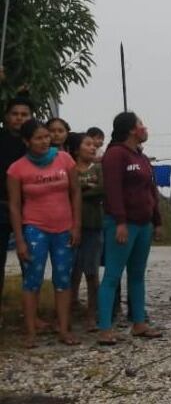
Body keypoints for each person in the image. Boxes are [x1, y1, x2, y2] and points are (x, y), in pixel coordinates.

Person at [8, 119, 81, 348]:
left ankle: (63, 329)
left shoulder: (65, 159)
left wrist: (76, 225)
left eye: (46, 137)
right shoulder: (16, 168)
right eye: (38, 138)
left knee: (62, 279)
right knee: (32, 281)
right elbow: (14, 205)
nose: (44, 141)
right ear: (26, 141)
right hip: (34, 228)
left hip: (64, 229)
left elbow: (76, 193)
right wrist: (19, 239)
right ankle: (30, 332)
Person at [97, 112, 162, 344]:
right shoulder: (115, 154)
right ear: (132, 130)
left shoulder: (141, 157)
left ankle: (139, 323)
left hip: (143, 223)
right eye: (141, 124)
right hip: (123, 224)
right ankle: (104, 327)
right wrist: (120, 221)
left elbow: (150, 190)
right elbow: (113, 191)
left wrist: (157, 220)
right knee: (113, 275)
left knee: (137, 274)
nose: (145, 128)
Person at [0, 94, 33, 325]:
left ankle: (31, 313)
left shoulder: (35, 142)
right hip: (1, 207)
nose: (19, 118)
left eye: (24, 115)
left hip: (30, 209)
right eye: (14, 114)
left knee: (30, 261)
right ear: (6, 117)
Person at [68, 132, 105, 331]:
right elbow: (66, 190)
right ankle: (69, 312)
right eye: (87, 144)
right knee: (72, 272)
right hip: (71, 226)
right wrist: (83, 188)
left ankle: (92, 315)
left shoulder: (99, 168)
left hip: (94, 225)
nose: (93, 148)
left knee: (91, 272)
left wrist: (79, 190)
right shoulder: (69, 169)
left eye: (94, 145)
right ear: (75, 150)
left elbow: (102, 189)